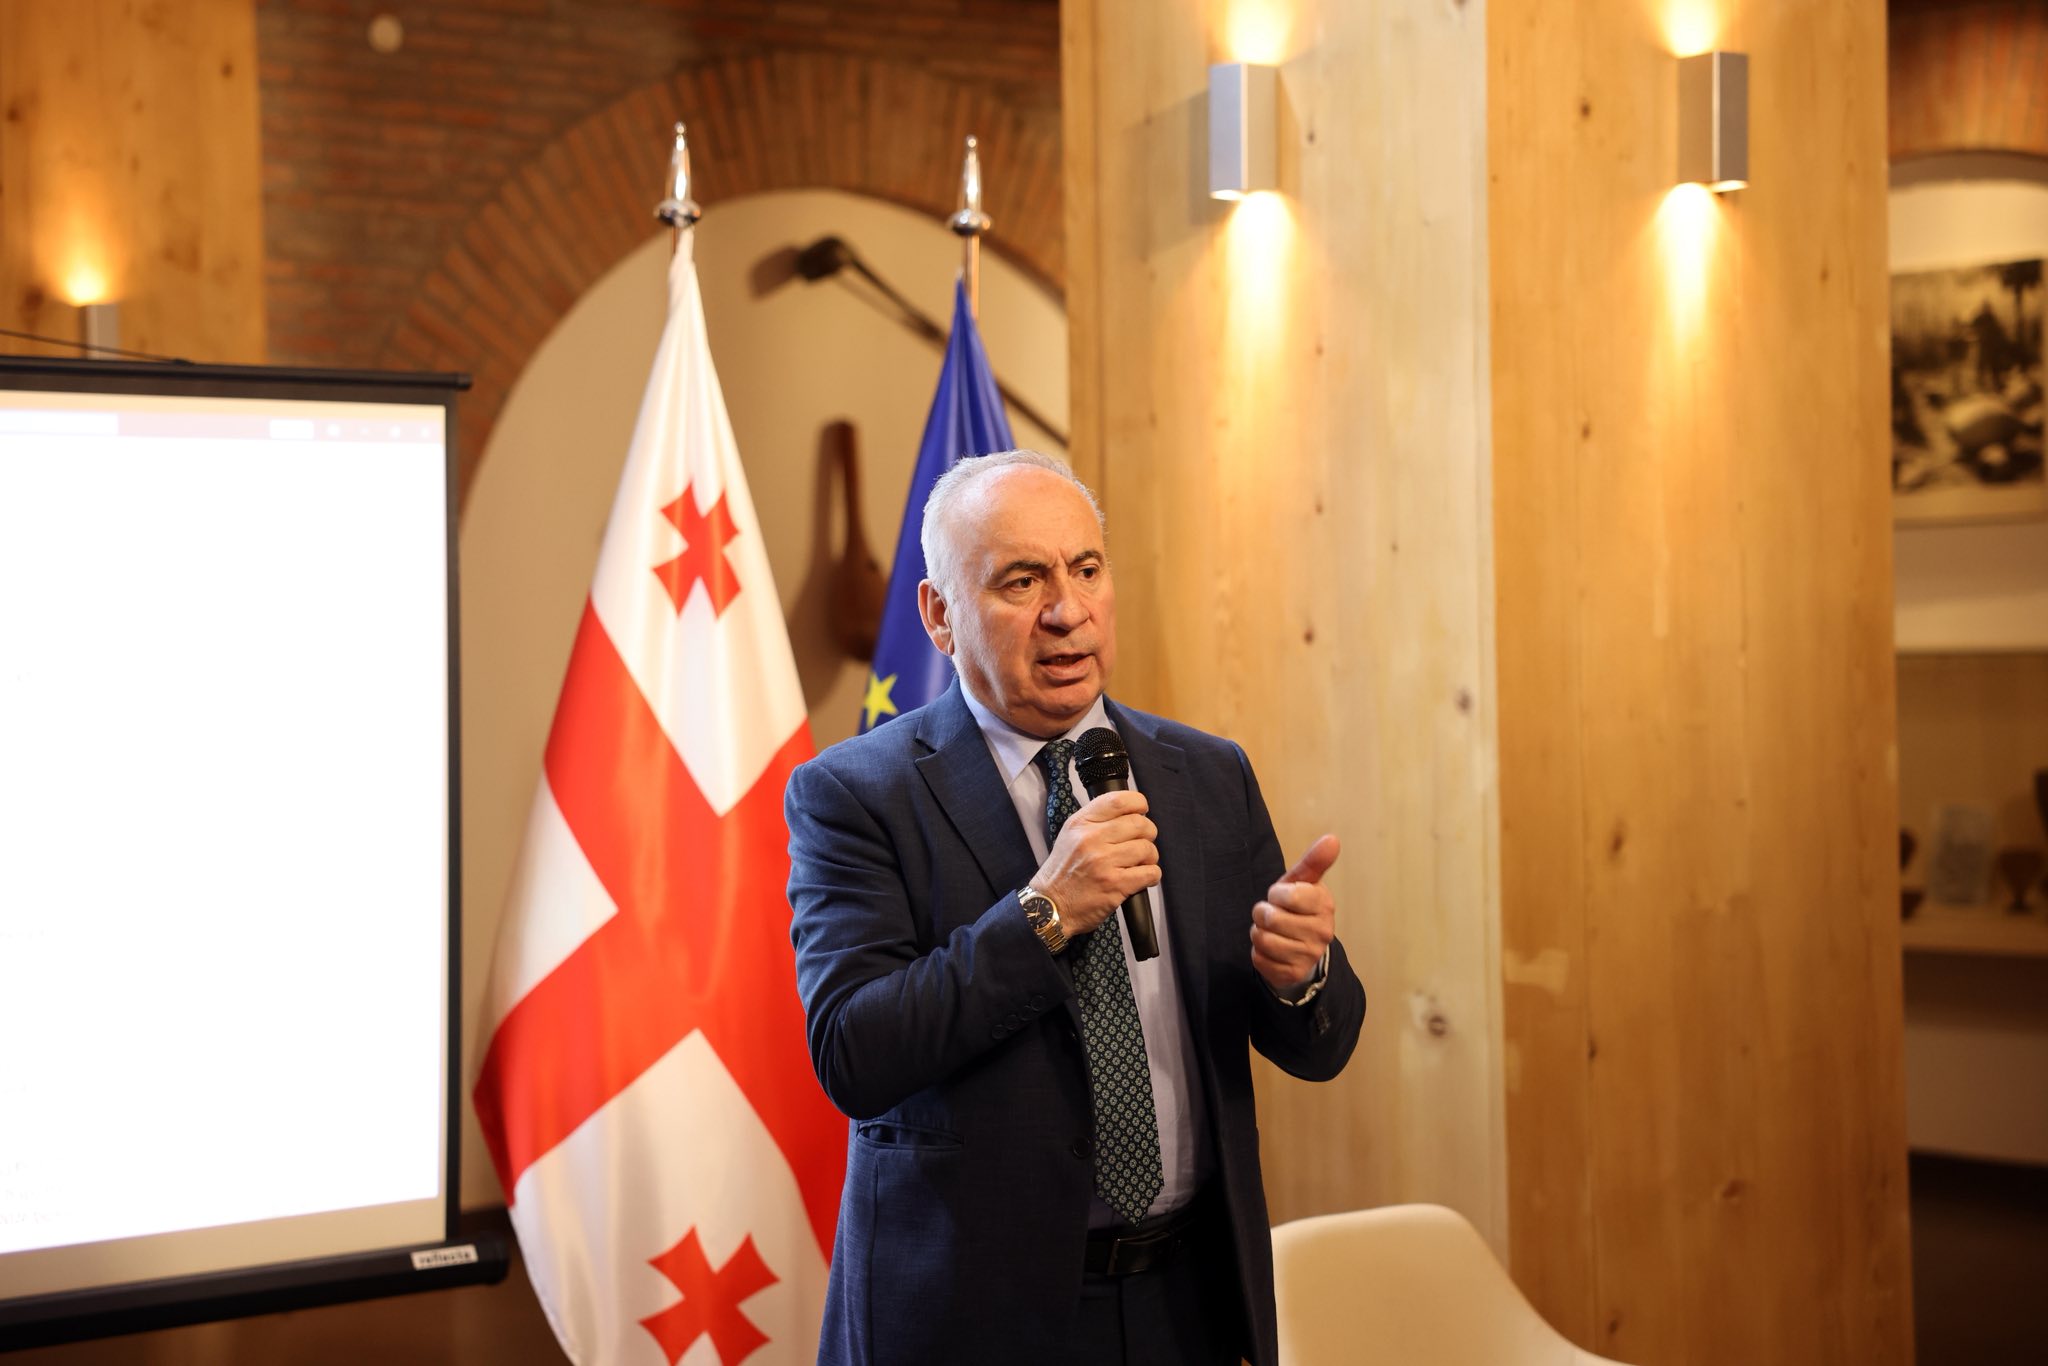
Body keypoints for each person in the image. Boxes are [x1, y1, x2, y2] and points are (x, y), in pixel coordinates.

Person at [786, 449, 1366, 1366]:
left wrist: (1301, 977)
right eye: (1022, 581)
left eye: (1086, 569)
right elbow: (854, 1052)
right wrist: (1045, 914)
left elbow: (1317, 1048)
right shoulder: (857, 795)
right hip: (975, 1319)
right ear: (938, 615)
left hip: (1188, 1302)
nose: (1068, 611)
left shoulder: (1206, 774)